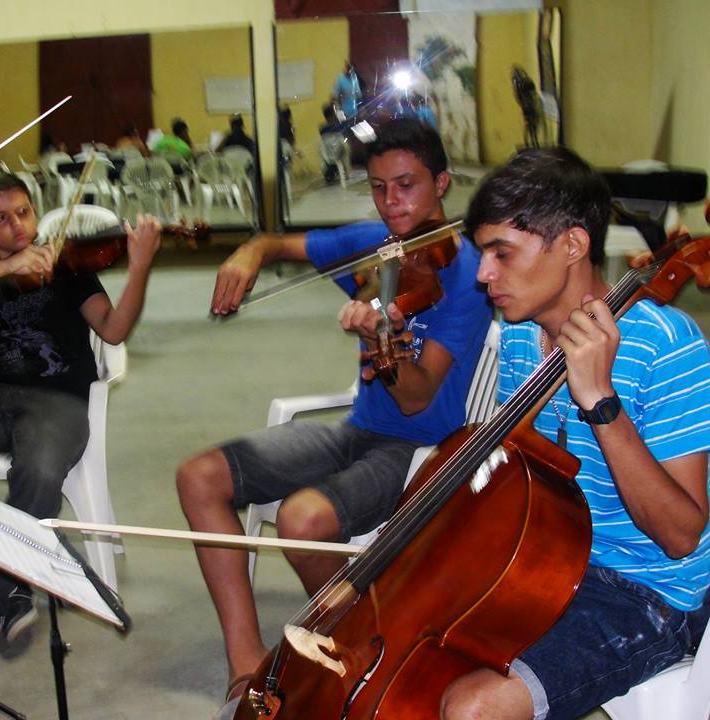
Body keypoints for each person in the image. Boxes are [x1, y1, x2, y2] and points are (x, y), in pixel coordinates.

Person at [178, 118, 492, 716]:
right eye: (378, 187)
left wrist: (381, 341)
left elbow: (417, 398)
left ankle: (361, 646)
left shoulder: (468, 276)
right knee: (199, 476)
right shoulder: (375, 244)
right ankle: (246, 662)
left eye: (407, 186)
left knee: (301, 520)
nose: (392, 203)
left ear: (442, 183)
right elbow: (280, 243)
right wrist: (251, 250)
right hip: (358, 431)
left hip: (420, 450)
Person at [440, 147, 710, 719]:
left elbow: (681, 536)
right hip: (549, 557)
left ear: (572, 245)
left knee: (473, 706)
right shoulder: (520, 332)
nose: (484, 274)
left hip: (649, 590)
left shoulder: (668, 346)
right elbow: (523, 471)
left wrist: (600, 402)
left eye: (501, 252)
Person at [0, 172, 161, 663]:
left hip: (58, 402)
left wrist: (140, 267)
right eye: (1, 218)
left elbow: (113, 329)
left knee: (38, 473)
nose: (18, 225)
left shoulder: (69, 267)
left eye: (24, 212)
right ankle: (12, 587)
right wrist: (4, 268)